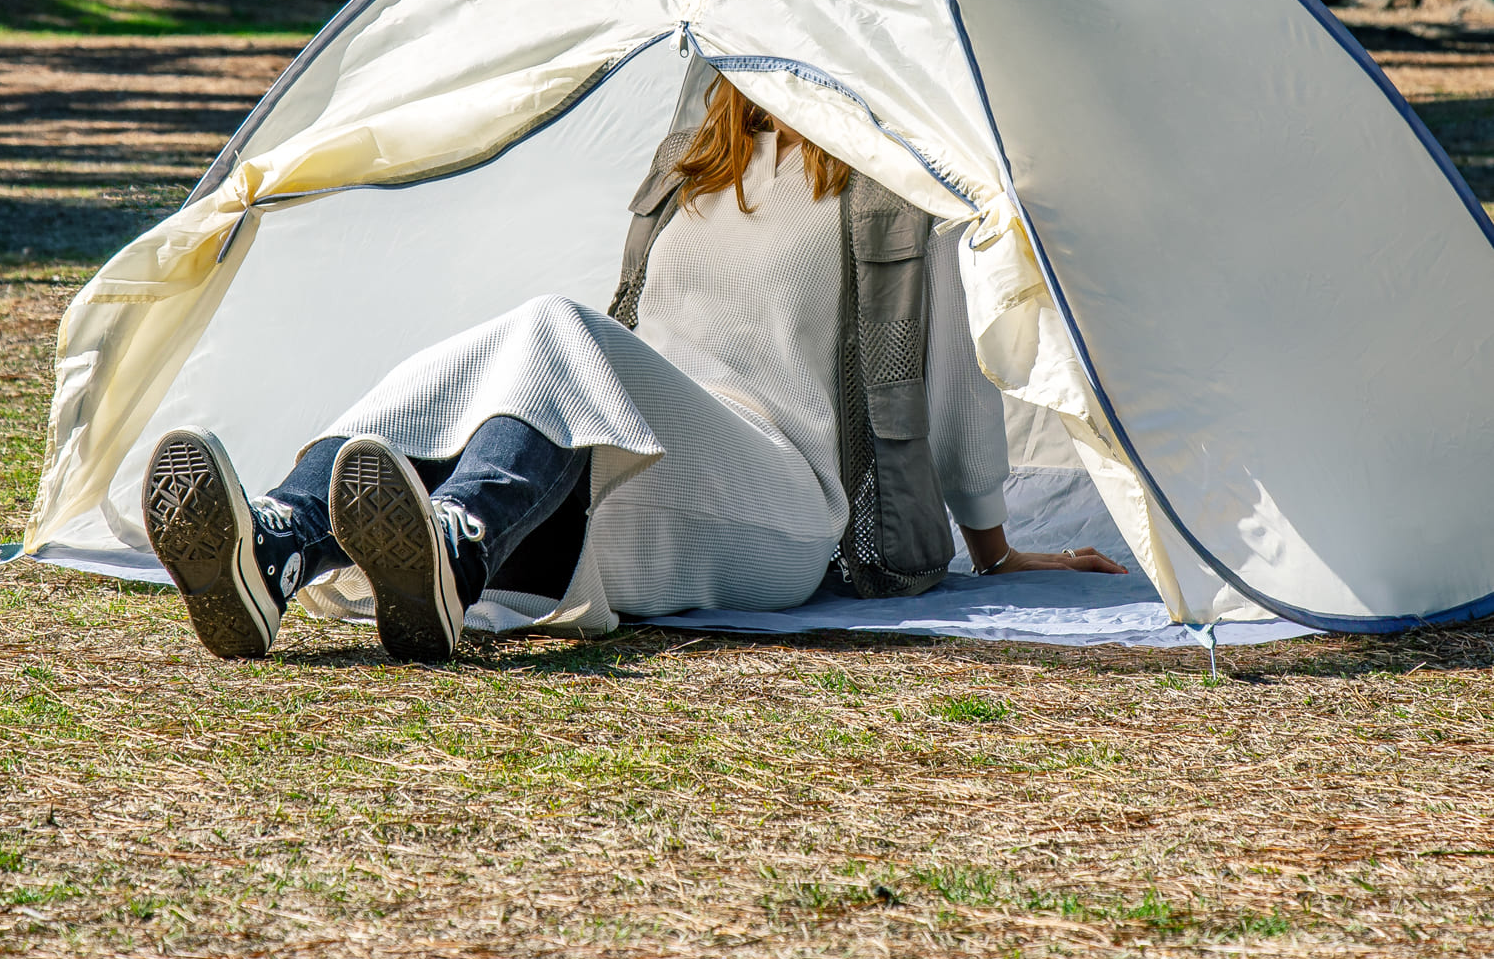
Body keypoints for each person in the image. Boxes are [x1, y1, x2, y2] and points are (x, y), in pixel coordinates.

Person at [143, 79, 1124, 663]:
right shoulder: (697, 162)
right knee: (500, 350)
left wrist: (994, 551)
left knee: (550, 326)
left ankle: (455, 539)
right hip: (650, 459)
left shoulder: (899, 196)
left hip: (782, 500)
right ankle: (283, 542)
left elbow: (948, 386)